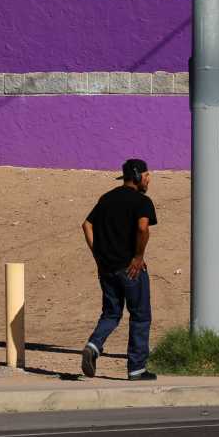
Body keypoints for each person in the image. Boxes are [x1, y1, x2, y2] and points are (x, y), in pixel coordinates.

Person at [80, 158, 158, 381]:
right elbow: (143, 227)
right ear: (137, 176)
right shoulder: (142, 201)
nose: (149, 180)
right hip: (130, 269)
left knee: (111, 313)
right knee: (140, 316)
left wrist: (98, 255)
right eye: (146, 175)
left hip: (106, 268)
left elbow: (86, 225)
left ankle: (93, 346)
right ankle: (136, 368)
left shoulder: (106, 199)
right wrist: (138, 256)